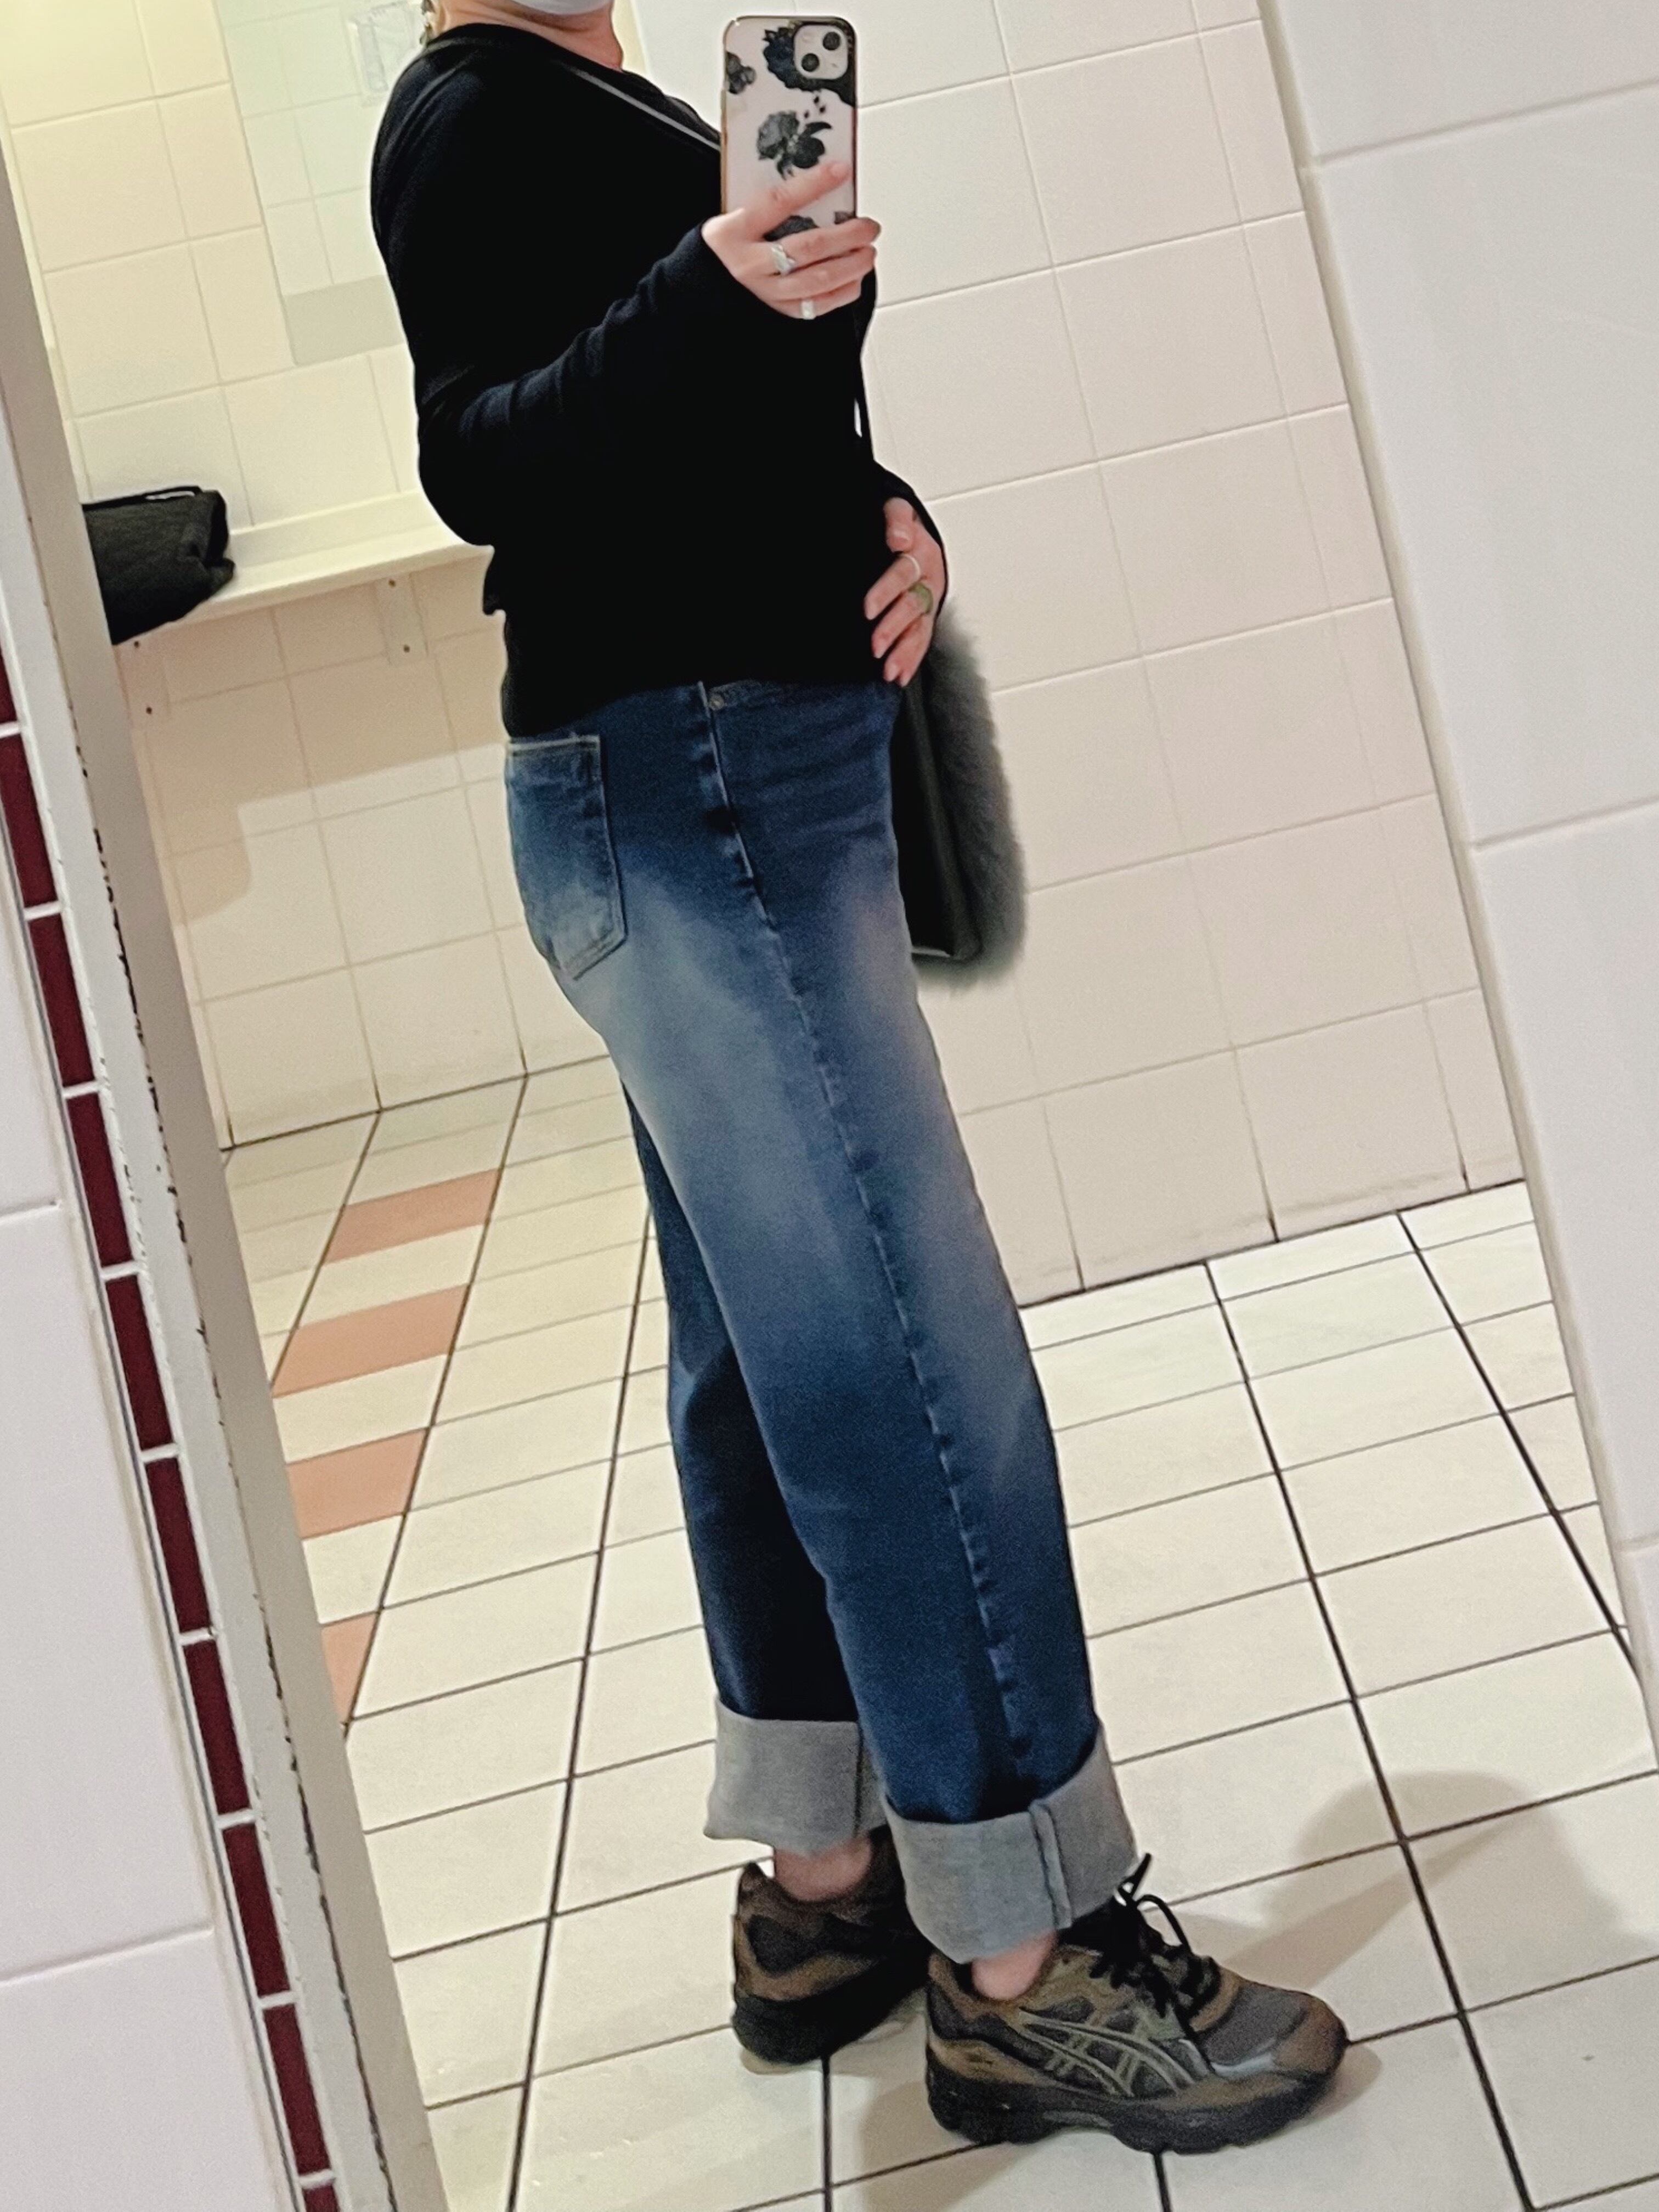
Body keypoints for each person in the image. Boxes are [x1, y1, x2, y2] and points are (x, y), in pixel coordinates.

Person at [371, 0, 1347, 2156]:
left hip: (721, 786)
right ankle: (1024, 1966)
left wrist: (885, 522)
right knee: (912, 1371)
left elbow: (716, 440)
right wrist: (706, 294)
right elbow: (483, 460)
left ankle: (829, 1892)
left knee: (771, 1358)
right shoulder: (470, 111)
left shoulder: (594, 99)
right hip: (702, 797)